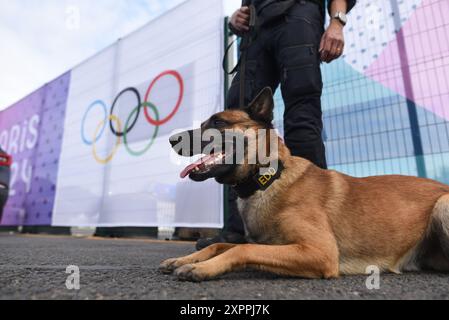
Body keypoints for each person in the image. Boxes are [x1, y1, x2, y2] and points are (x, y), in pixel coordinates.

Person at [196, 0, 356, 250]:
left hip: (299, 17)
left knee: (301, 116)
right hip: (256, 34)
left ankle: (312, 226)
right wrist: (235, 18)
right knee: (235, 116)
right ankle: (239, 229)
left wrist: (337, 23)